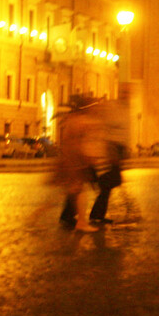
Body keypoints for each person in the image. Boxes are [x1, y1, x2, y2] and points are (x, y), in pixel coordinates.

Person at [56, 95, 107, 232]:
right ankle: (81, 222)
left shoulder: (72, 119)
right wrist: (90, 158)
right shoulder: (82, 121)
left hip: (71, 159)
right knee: (79, 191)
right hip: (77, 160)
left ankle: (77, 220)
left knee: (75, 191)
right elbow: (84, 142)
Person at [88, 97, 128, 225]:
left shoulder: (114, 115)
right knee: (105, 185)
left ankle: (96, 214)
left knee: (105, 187)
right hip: (104, 156)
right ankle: (90, 215)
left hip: (109, 154)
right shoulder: (101, 121)